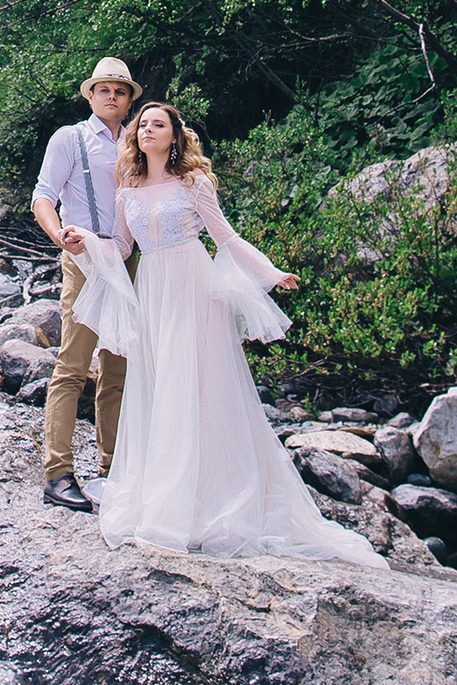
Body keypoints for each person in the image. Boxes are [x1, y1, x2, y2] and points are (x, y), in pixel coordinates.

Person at [72, 99, 382, 565]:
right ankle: (170, 495)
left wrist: (270, 273)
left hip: (194, 287)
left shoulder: (194, 183)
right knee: (162, 386)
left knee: (198, 385)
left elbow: (226, 237)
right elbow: (121, 246)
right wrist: (86, 244)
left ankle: (212, 499)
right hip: (153, 291)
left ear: (175, 137)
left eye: (159, 124)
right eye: (143, 124)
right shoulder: (127, 188)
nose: (148, 130)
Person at [30, 56, 139, 513]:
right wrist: (60, 236)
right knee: (73, 365)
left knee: (118, 369)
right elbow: (42, 196)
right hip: (84, 259)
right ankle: (57, 473)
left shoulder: (138, 141)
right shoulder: (69, 138)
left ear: (129, 100)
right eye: (104, 90)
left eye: (120, 91)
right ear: (90, 96)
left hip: (129, 262)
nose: (111, 96)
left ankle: (114, 468)